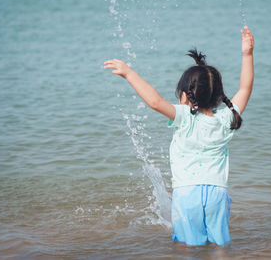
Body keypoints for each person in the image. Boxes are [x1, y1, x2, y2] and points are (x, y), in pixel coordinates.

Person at [104, 26, 254, 247]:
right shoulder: (226, 119)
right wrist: (247, 54)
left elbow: (154, 102)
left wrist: (129, 73)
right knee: (220, 246)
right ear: (218, 97)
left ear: (185, 97)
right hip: (217, 196)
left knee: (186, 247)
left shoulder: (185, 117)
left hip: (187, 196)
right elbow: (245, 88)